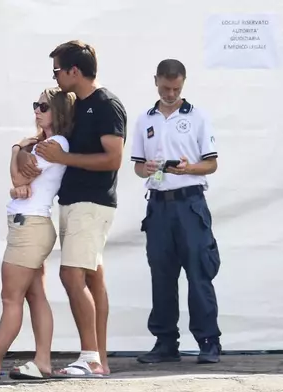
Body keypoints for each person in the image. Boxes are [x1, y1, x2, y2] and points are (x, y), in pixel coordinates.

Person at [18, 40, 126, 377]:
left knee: (71, 274)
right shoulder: (77, 106)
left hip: (91, 202)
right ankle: (100, 360)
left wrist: (64, 159)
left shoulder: (106, 104)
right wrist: (22, 148)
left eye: (57, 71)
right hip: (75, 202)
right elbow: (44, 135)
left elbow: (114, 158)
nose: (55, 77)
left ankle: (91, 356)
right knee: (92, 278)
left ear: (74, 71)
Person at [0, 88, 74, 381]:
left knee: (11, 297)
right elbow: (20, 183)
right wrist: (21, 164)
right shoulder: (44, 143)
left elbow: (19, 177)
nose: (37, 110)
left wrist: (15, 149)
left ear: (58, 112)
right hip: (29, 223)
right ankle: (42, 361)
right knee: (35, 296)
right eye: (36, 105)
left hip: (29, 226)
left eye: (43, 106)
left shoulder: (54, 143)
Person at [131, 59, 221, 364]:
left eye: (176, 88)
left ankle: (208, 341)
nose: (170, 93)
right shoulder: (145, 119)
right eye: (165, 87)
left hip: (190, 203)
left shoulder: (197, 117)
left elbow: (212, 163)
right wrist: (148, 168)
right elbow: (137, 167)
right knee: (162, 275)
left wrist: (188, 168)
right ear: (155, 80)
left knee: (199, 273)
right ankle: (165, 342)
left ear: (184, 83)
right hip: (158, 205)